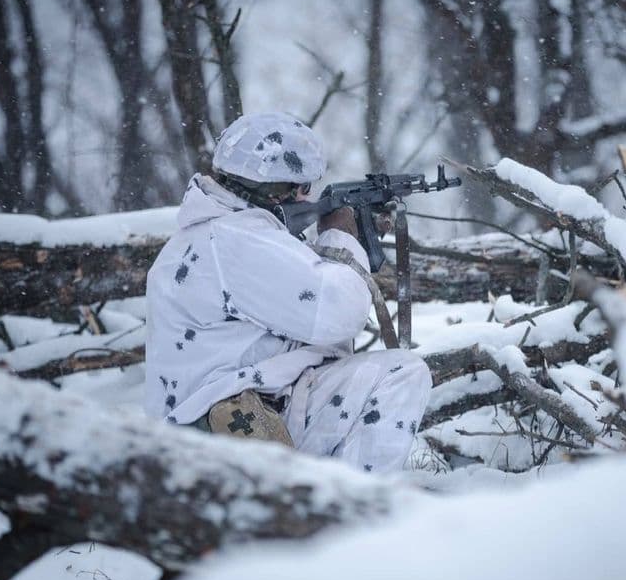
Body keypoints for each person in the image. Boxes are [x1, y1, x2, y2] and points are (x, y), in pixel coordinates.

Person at [143, 111, 432, 474]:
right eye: (302, 186)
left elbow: (287, 307)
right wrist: (342, 237)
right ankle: (358, 515)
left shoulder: (207, 237)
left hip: (202, 435)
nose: (305, 196)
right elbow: (340, 316)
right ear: (276, 188)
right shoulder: (237, 240)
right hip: (231, 432)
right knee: (402, 373)